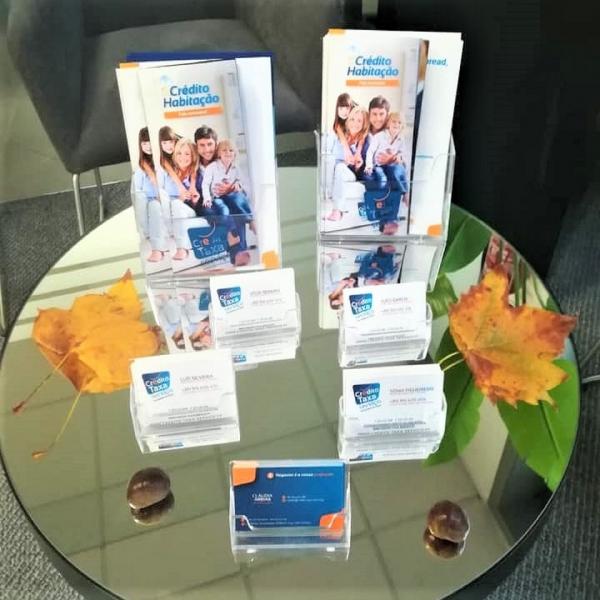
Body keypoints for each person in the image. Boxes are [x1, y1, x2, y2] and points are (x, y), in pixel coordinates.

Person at [202, 140, 255, 243]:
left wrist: (238, 186)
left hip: (232, 197)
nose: (228, 153)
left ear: (235, 153)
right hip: (217, 198)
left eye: (231, 150)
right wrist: (207, 198)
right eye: (224, 150)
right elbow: (205, 184)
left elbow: (244, 184)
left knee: (238, 198)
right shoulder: (212, 167)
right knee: (223, 209)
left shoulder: (236, 168)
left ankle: (250, 221)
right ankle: (232, 233)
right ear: (219, 153)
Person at [326, 105, 370, 221]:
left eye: (359, 121)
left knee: (340, 168)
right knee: (337, 167)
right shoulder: (340, 133)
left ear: (364, 124)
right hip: (333, 170)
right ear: (348, 119)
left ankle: (337, 211)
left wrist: (357, 164)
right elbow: (337, 126)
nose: (355, 123)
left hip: (349, 173)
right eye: (352, 119)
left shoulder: (363, 140)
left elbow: (360, 167)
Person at [132, 127, 167, 263]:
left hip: (160, 200)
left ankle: (157, 250)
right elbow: (137, 191)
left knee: (154, 206)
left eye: (150, 142)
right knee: (141, 197)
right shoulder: (141, 169)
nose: (148, 146)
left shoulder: (162, 164)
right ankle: (147, 232)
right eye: (144, 143)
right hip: (147, 201)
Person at [169, 138, 200, 260]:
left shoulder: (195, 173)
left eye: (187, 154)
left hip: (191, 214)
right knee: (176, 203)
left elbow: (198, 207)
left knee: (177, 204)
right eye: (179, 153)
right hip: (174, 217)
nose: (183, 157)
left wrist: (195, 200)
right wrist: (180, 198)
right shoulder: (170, 174)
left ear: (193, 156)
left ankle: (182, 249)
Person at [364, 112, 409, 194]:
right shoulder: (379, 136)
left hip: (391, 165)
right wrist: (369, 166)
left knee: (398, 173)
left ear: (402, 126)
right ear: (388, 123)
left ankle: (403, 193)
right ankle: (381, 195)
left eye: (399, 123)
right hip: (378, 165)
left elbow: (403, 153)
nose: (396, 124)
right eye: (394, 121)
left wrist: (399, 157)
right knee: (382, 178)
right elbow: (370, 151)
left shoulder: (401, 139)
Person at [193, 125, 230, 222]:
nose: (206, 149)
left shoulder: (223, 162)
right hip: (204, 204)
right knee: (210, 212)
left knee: (227, 210)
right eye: (202, 145)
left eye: (210, 144)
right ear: (196, 147)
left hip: (223, 199)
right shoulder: (194, 165)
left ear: (216, 145)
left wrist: (231, 187)